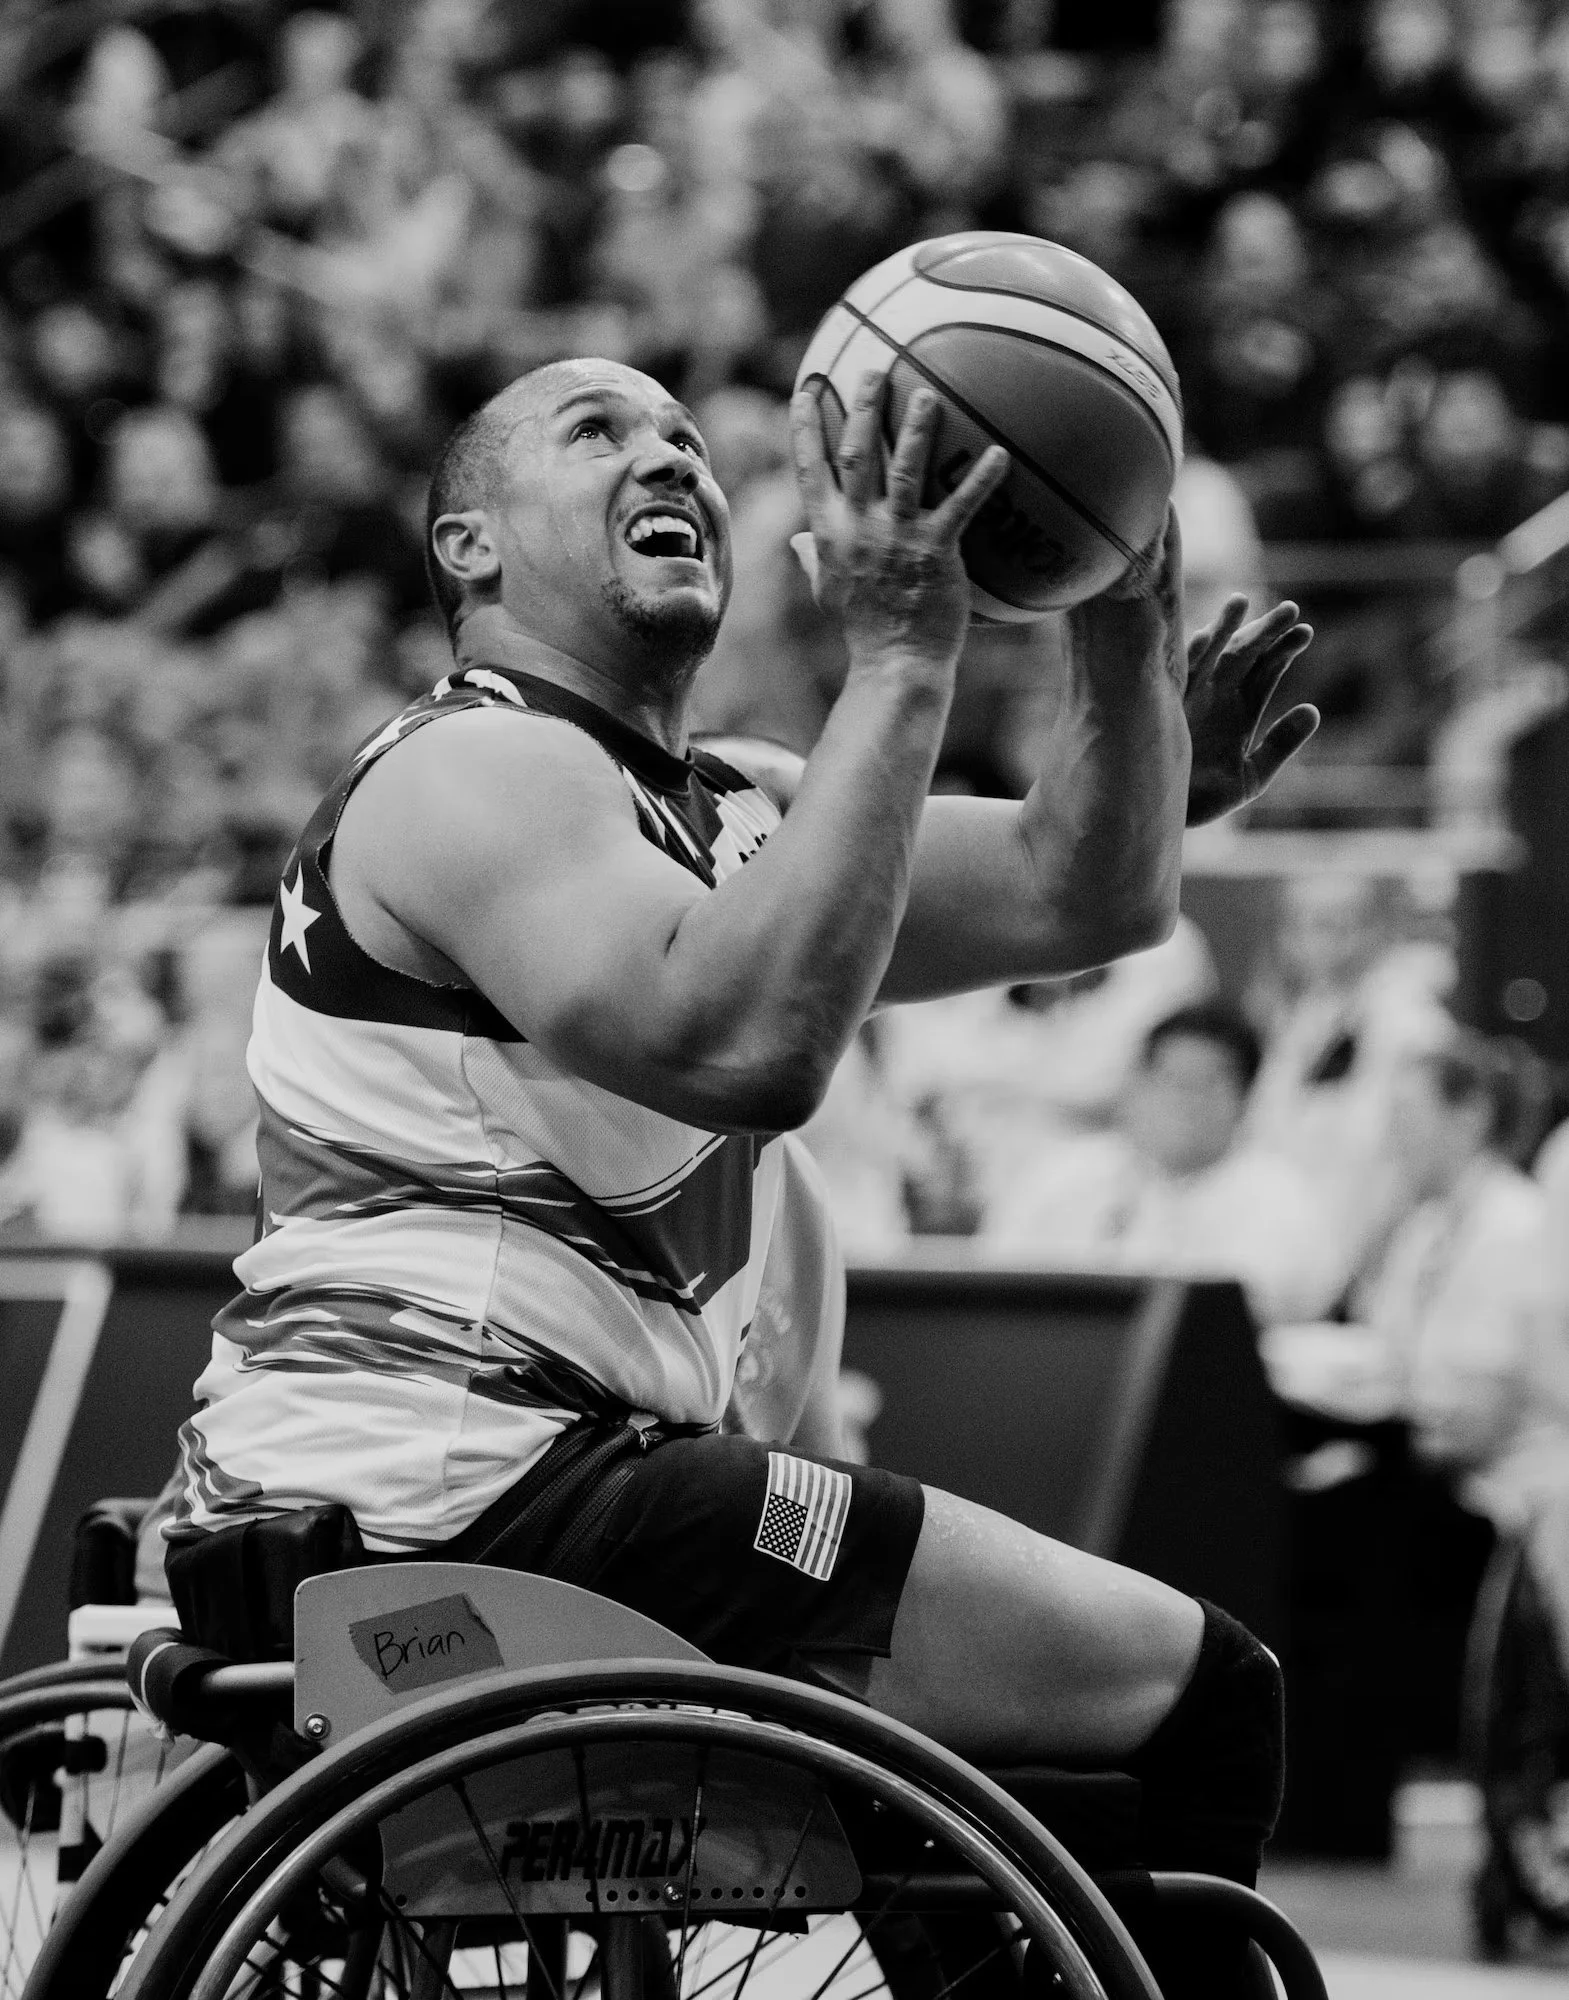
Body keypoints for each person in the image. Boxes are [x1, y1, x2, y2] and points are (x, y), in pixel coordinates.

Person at [161, 357, 1317, 1930]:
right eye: (599, 433)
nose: (670, 459)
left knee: (1030, 1775)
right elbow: (747, 1050)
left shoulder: (732, 808)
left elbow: (1083, 887)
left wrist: (1116, 612)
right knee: (1196, 1688)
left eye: (689, 441)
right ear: (468, 548)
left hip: (547, 1494)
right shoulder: (470, 766)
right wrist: (908, 653)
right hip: (479, 1500)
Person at [986, 1000, 1346, 1327]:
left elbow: (1271, 1311)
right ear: (1136, 1085)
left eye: (1205, 1084)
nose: (1184, 1102)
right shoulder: (1064, 1176)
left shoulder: (1280, 1200)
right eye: (1170, 1079)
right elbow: (995, 1283)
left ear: (1244, 1100)